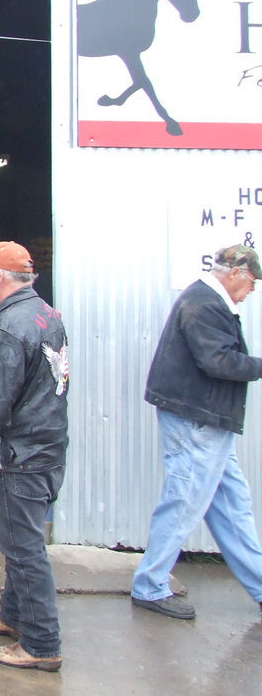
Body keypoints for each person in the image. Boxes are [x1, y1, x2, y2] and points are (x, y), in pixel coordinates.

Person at [130, 244, 262, 622]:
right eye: (252, 282)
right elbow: (216, 360)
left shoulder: (208, 301)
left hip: (209, 420)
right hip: (197, 420)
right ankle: (150, 585)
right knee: (184, 499)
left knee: (233, 507)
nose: (252, 291)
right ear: (235, 273)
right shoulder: (205, 304)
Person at [0, 241, 68, 672]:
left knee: (23, 548)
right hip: (43, 443)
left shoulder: (9, 327)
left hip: (18, 452)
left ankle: (41, 643)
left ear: (0, 277)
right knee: (19, 539)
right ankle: (13, 615)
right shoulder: (45, 312)